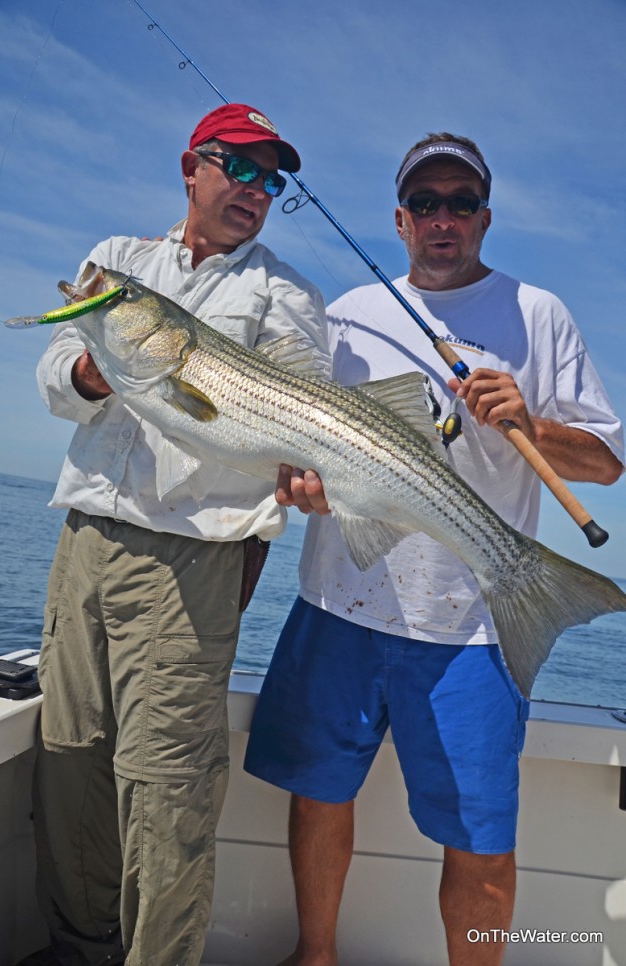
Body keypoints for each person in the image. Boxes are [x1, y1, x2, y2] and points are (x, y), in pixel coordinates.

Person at [244, 132, 624, 966]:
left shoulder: (538, 315)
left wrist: (532, 423)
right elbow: (302, 447)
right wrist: (297, 483)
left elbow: (604, 462)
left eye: (460, 203)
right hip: (337, 602)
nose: (442, 218)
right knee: (316, 795)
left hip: (475, 627)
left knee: (483, 842)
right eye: (425, 204)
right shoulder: (344, 316)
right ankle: (316, 956)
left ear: (485, 217)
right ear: (400, 219)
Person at [26, 103, 329, 966]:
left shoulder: (283, 293)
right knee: (68, 761)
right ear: (190, 167)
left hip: (191, 558)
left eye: (272, 179)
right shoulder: (115, 264)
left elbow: (303, 415)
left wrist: (304, 477)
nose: (255, 189)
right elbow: (52, 377)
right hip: (83, 540)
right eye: (239, 166)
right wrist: (92, 367)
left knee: (165, 789)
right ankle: (78, 948)